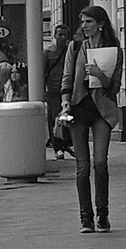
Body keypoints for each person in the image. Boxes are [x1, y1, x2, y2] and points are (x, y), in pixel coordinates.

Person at [61, 5, 123, 233]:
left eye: (88, 22)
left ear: (101, 24)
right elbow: (67, 77)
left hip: (102, 111)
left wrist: (99, 74)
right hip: (78, 109)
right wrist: (65, 101)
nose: (84, 26)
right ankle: (85, 218)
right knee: (82, 166)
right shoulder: (75, 47)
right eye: (83, 22)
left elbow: (114, 87)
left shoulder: (114, 49)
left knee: (100, 163)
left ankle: (102, 215)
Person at [44, 23, 73, 155]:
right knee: (55, 118)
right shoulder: (48, 52)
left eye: (65, 35)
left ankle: (66, 142)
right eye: (60, 34)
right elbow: (43, 72)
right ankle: (57, 146)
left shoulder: (70, 51)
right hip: (54, 90)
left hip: (68, 89)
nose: (62, 37)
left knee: (67, 117)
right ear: (55, 35)